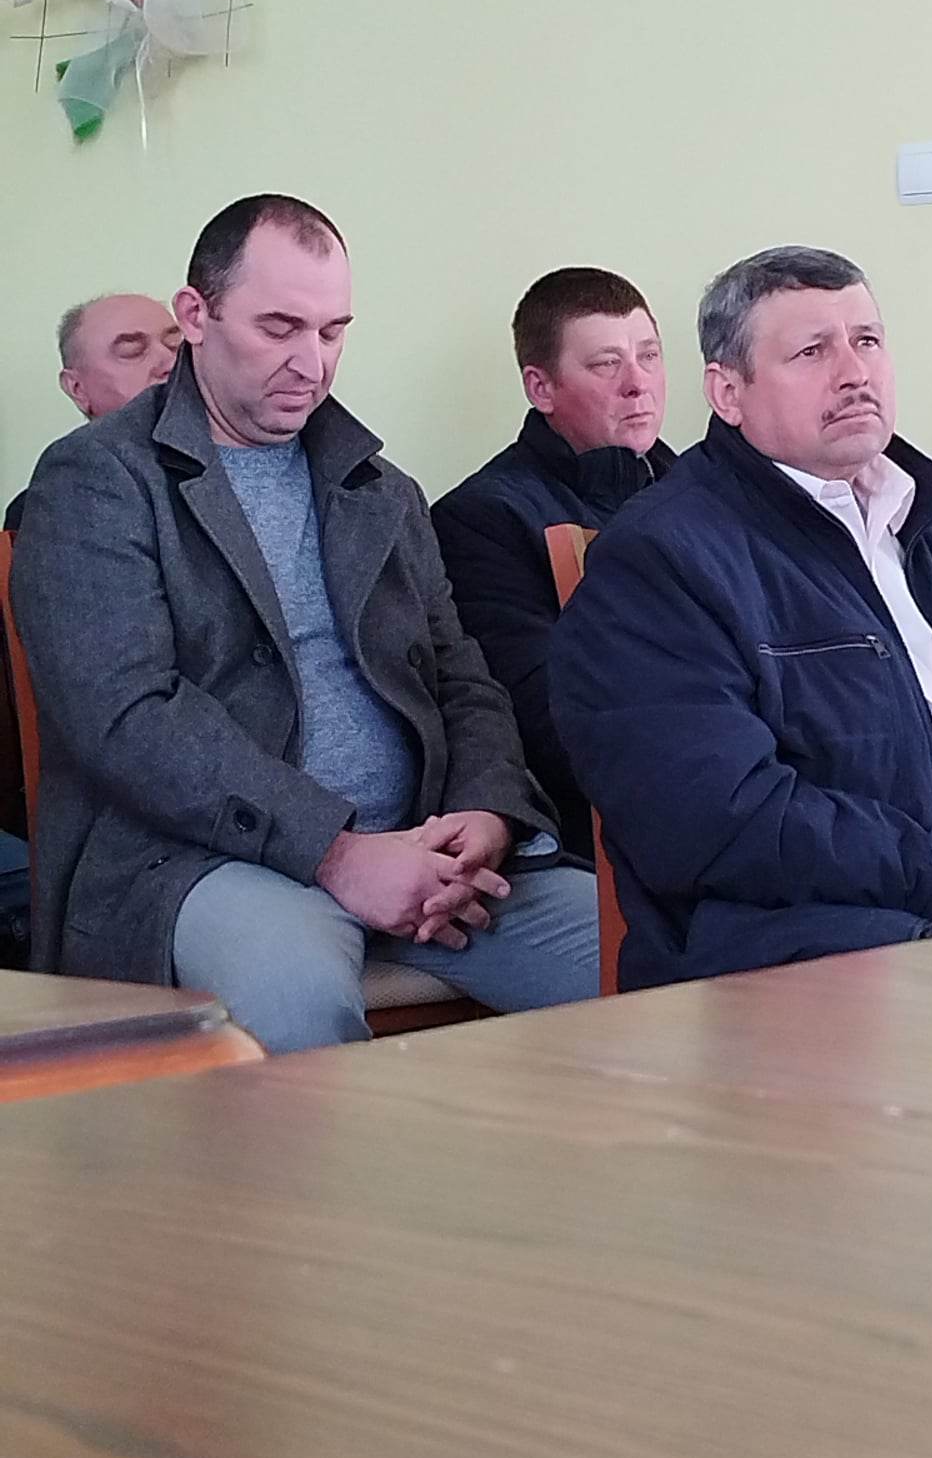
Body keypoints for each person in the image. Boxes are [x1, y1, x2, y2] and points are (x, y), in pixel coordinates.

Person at [12, 194, 597, 1051]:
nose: (310, 362)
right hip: (201, 863)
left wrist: (487, 812)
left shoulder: (381, 489)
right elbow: (127, 717)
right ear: (195, 317)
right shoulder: (96, 479)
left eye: (332, 331)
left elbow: (461, 676)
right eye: (279, 327)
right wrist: (338, 853)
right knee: (296, 1002)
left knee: (647, 958)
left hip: (423, 853)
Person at [550, 245, 932, 993]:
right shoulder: (660, 559)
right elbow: (721, 821)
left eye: (867, 340)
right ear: (728, 392)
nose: (854, 372)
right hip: (811, 954)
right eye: (812, 351)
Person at [432, 268, 672, 858]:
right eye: (607, 364)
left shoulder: (705, 494)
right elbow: (549, 722)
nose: (638, 384)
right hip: (609, 833)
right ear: (541, 388)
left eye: (649, 356)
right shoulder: (482, 521)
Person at [4, 293, 181, 528]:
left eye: (177, 345)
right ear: (77, 388)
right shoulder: (60, 497)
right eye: (132, 351)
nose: (171, 362)